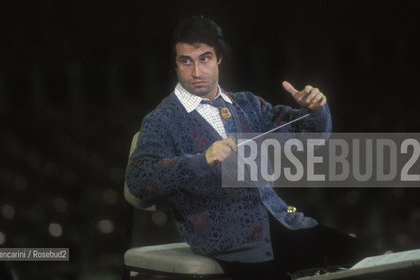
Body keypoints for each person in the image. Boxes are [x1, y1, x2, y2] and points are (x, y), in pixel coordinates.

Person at [126, 16, 378, 279]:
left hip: (284, 225)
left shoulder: (247, 104)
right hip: (230, 242)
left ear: (219, 59)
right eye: (186, 61)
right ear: (175, 65)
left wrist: (315, 110)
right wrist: (203, 159)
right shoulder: (162, 120)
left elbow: (310, 136)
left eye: (205, 58)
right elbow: (139, 179)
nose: (197, 72)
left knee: (373, 260)